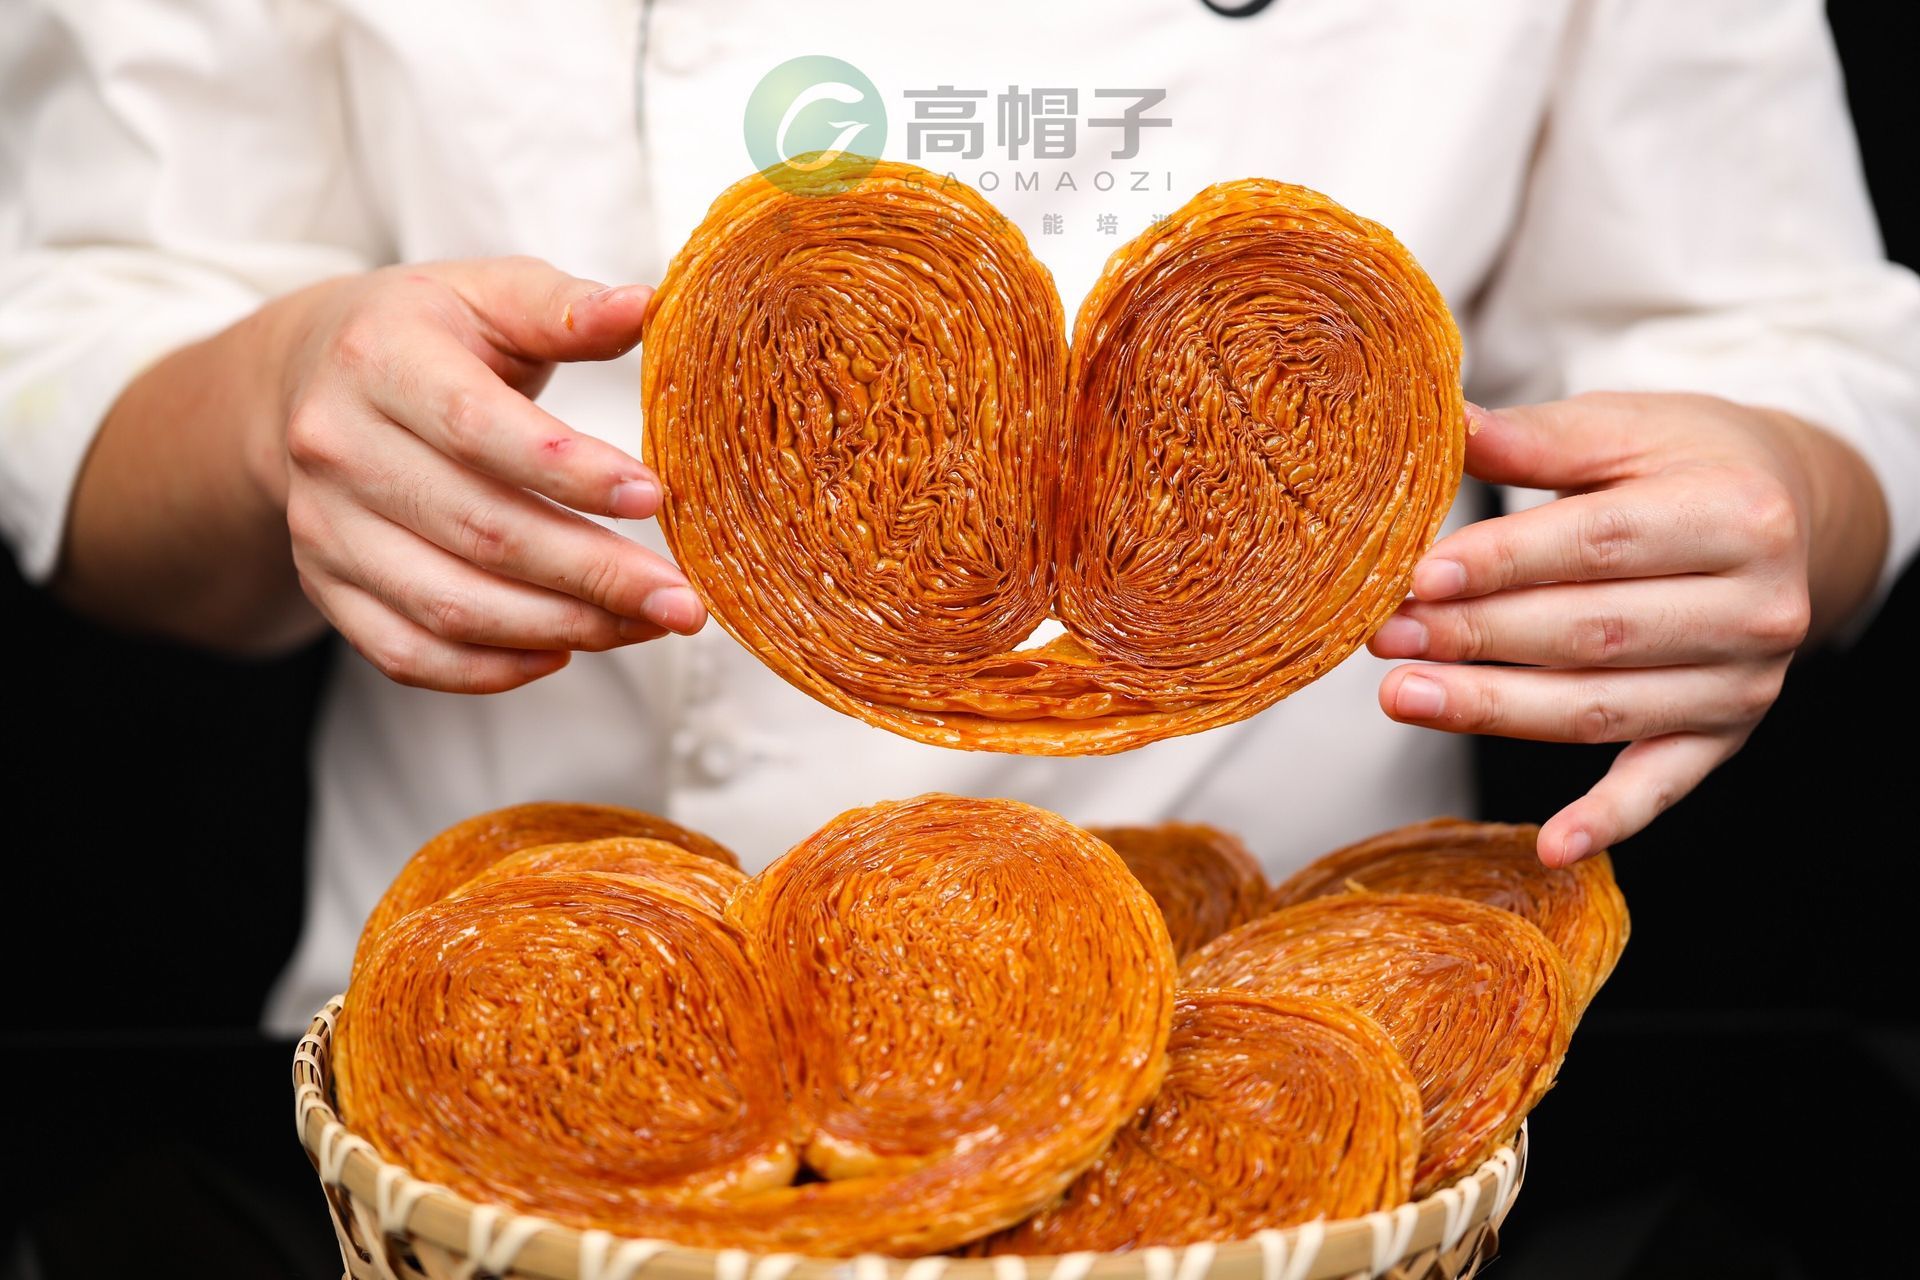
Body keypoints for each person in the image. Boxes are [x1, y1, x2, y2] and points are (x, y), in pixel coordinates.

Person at [2, 0, 1914, 1033]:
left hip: (1275, 1063)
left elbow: (1780, 330)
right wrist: (276, 398)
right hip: (506, 1066)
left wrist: (1779, 502)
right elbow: (83, 350)